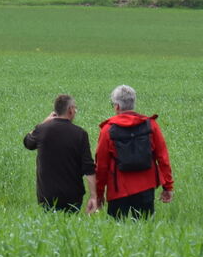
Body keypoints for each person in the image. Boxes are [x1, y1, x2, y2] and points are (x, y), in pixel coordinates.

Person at [92, 85, 175, 219]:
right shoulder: (151, 125)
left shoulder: (107, 130)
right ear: (133, 103)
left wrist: (99, 193)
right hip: (146, 187)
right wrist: (168, 187)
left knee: (116, 233)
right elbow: (163, 158)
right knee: (145, 231)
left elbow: (101, 165)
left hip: (118, 190)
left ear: (117, 106)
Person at [22, 94, 96, 213]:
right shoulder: (80, 134)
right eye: (75, 108)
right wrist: (93, 196)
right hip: (72, 196)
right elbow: (89, 167)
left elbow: (27, 143)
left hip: (47, 195)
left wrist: (43, 123)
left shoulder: (42, 130)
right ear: (70, 110)